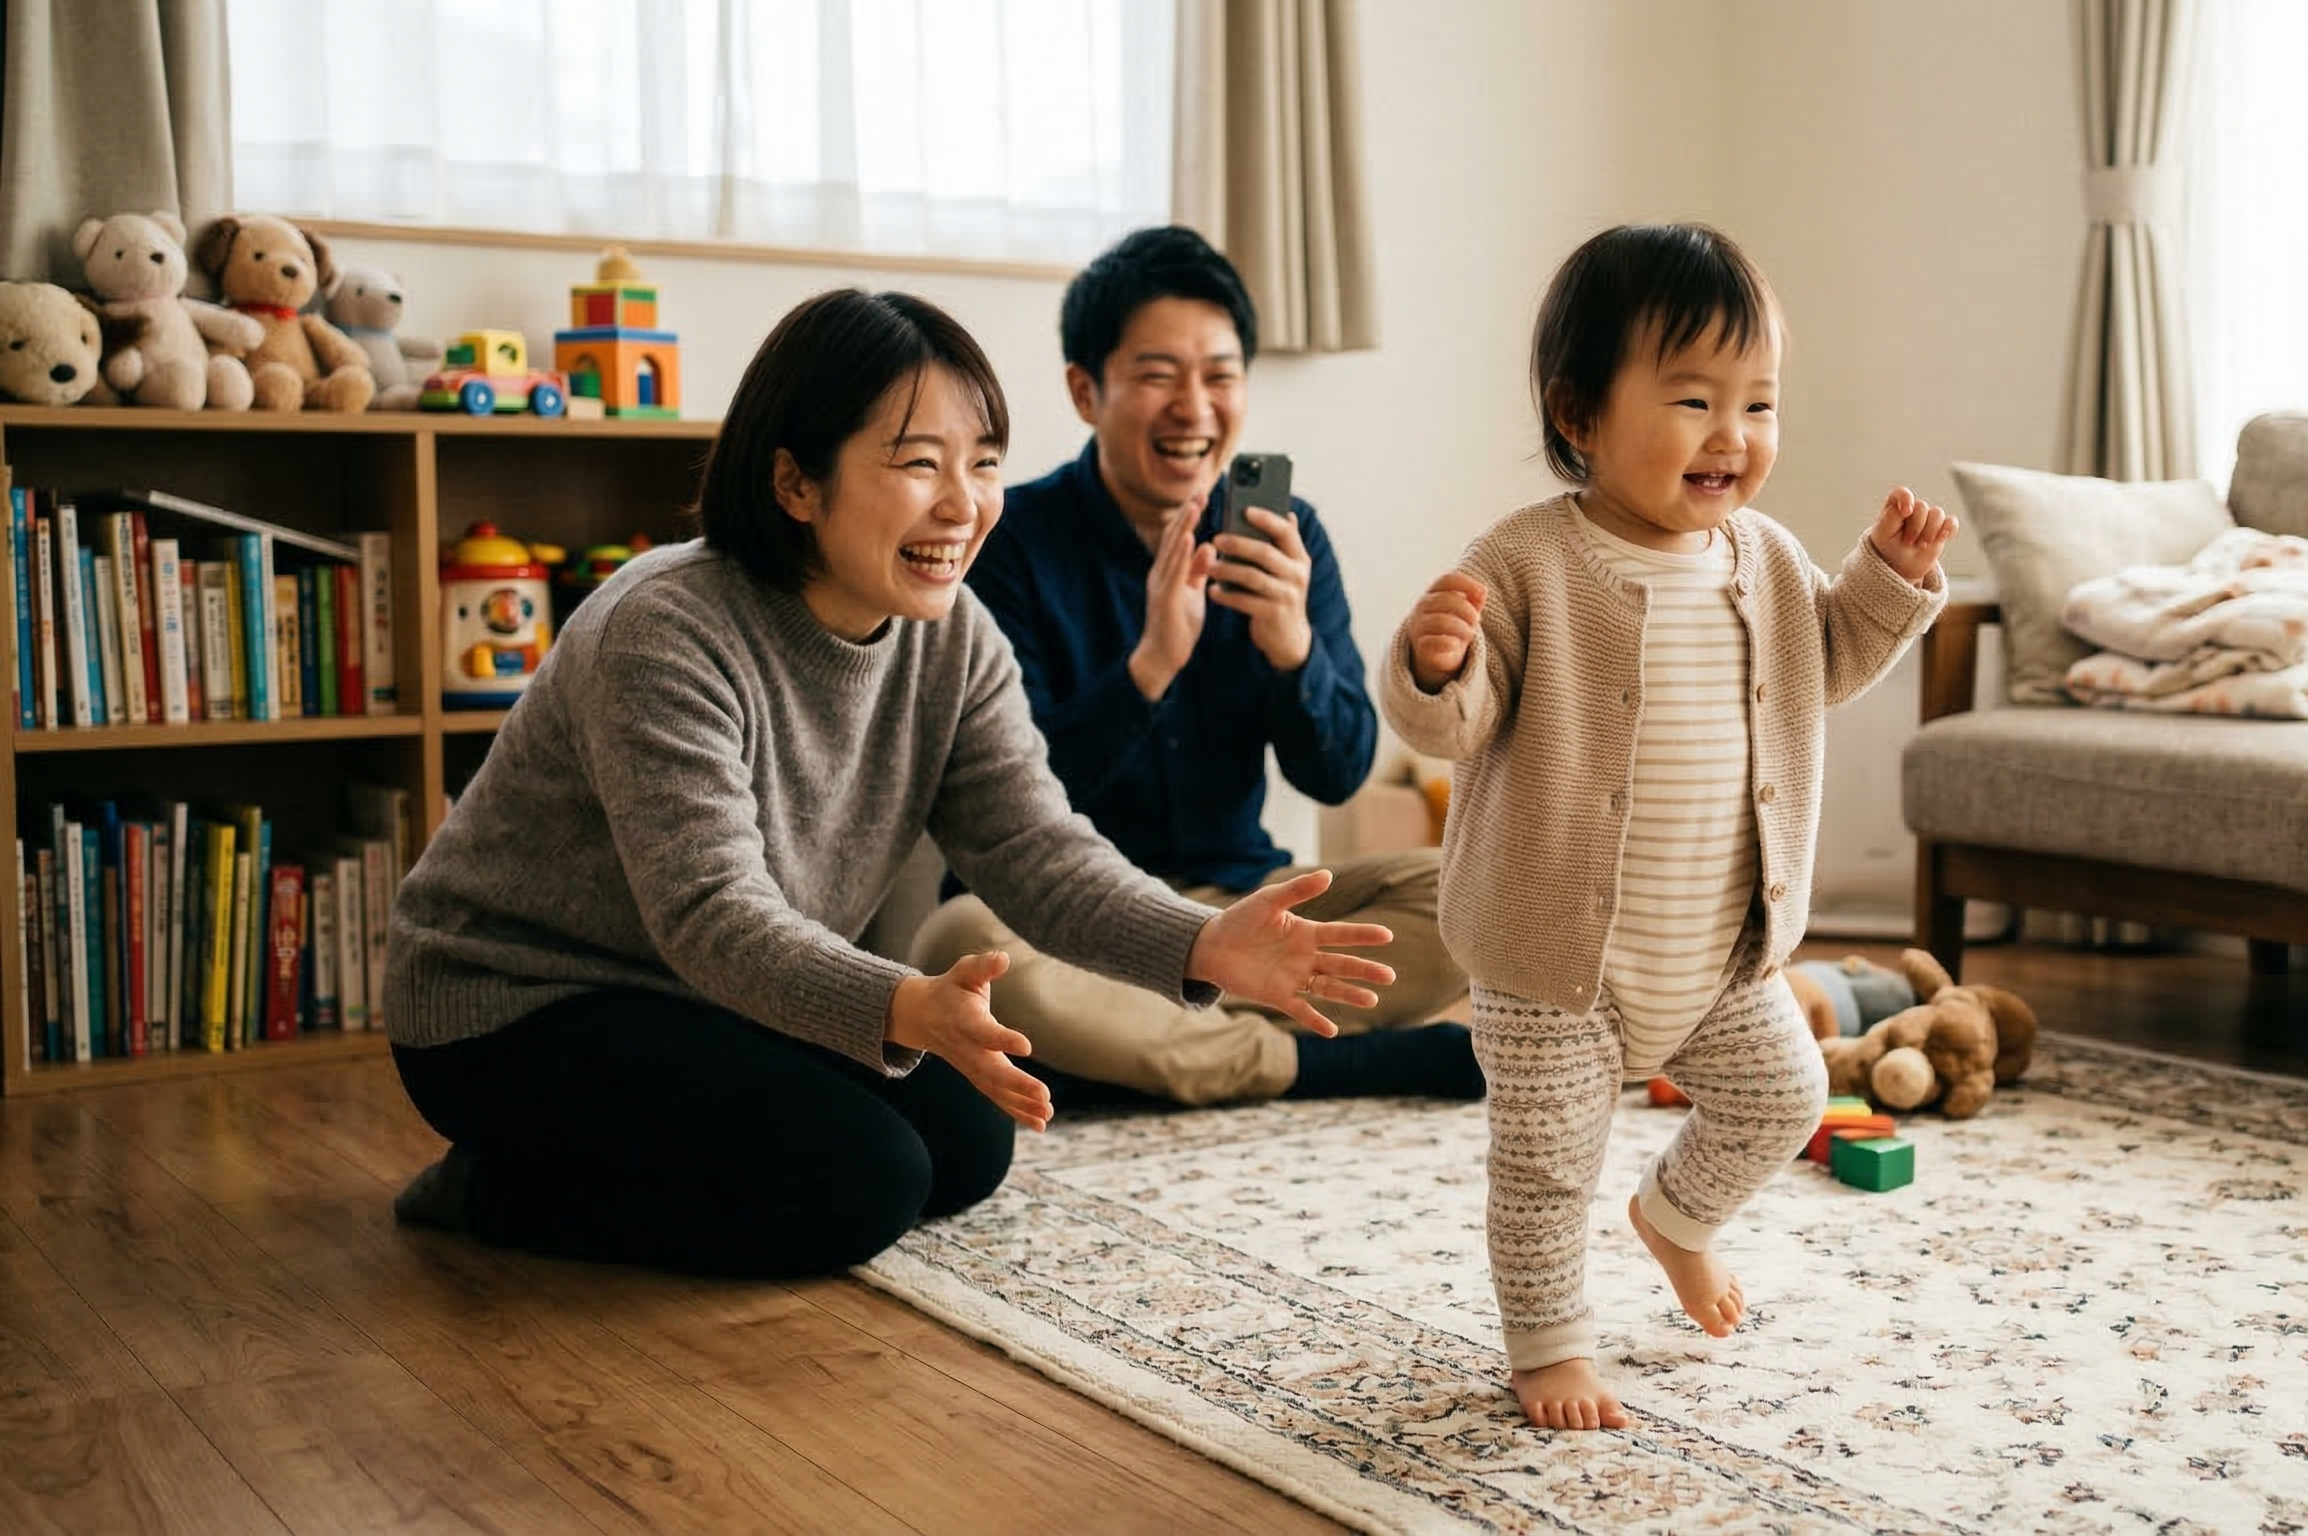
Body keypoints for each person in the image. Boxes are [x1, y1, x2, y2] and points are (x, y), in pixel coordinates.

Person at [382, 288, 1397, 1279]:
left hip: (703, 997)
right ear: (795, 484)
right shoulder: (664, 629)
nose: (963, 506)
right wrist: (906, 1005)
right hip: (515, 1007)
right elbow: (709, 915)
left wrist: (1203, 941)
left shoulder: (953, 636)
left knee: (965, 1147)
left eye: (983, 464)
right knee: (858, 1182)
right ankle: (489, 1190)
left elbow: (1035, 849)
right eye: (918, 465)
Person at [1382, 224, 1956, 1430]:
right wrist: (1434, 664)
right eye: (1692, 399)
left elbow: (1826, 661)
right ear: (1579, 414)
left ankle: (1674, 1219)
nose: (1731, 435)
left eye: (1757, 402)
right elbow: (1458, 718)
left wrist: (1887, 582)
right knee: (1543, 1167)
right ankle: (1546, 1346)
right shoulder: (1528, 560)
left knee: (1783, 1099)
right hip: (1554, 965)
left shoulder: (1765, 555)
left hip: (1713, 950)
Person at [911, 226, 1472, 1107]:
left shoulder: (1288, 534)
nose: (1194, 408)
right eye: (1158, 375)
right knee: (961, 939)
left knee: (1471, 889)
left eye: (1218, 375)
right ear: (1085, 390)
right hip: (1071, 921)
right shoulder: (1003, 540)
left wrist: (1293, 647)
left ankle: (1145, 1056)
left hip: (1246, 909)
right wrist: (1149, 668)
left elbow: (1338, 775)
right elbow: (996, 802)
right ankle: (1312, 1064)